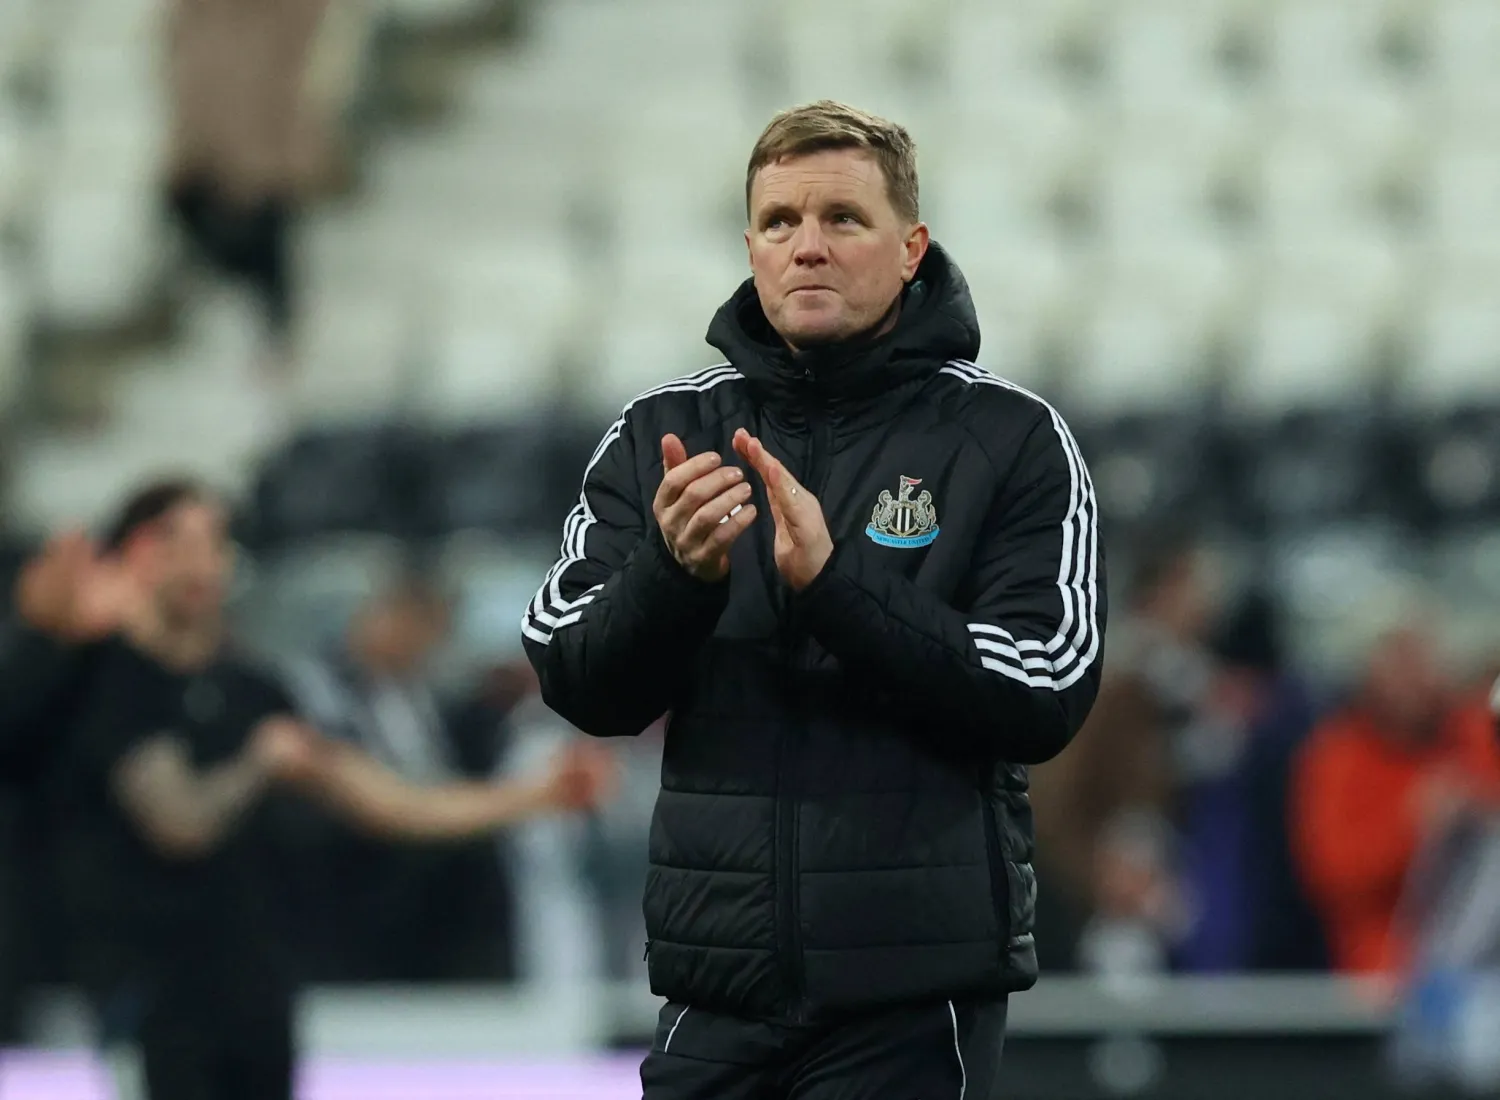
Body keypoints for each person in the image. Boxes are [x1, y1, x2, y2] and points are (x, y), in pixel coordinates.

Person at [523, 100, 1106, 1099]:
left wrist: (839, 588)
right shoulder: (662, 432)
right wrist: (674, 577)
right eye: (781, 221)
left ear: (911, 246)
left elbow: (1045, 683)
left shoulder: (1010, 438)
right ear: (749, 245)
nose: (808, 247)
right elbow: (577, 675)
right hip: (715, 991)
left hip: (912, 1003)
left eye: (844, 218)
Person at [10, 479, 613, 1100]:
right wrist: (257, 765)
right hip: (145, 997)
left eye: (213, 542)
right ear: (135, 554)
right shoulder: (106, 682)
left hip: (255, 995)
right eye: (175, 541)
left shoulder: (252, 690)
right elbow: (179, 823)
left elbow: (383, 799)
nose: (200, 561)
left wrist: (535, 797)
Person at [279, 575, 519, 982]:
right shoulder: (320, 689)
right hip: (355, 859)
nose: (418, 641)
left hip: (430, 863)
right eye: (409, 623)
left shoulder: (430, 698)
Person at [1291, 622, 1500, 977]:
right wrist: (1413, 826)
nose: (1414, 683)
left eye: (1422, 666)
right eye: (1401, 667)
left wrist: (1473, 808)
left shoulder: (1472, 733)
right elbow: (1333, 875)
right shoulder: (1337, 756)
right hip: (1390, 969)